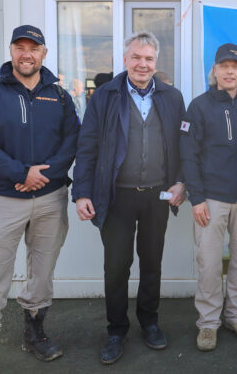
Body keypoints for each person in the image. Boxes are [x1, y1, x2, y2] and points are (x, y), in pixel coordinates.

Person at [0, 25, 80, 372]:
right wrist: (20, 173)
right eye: (20, 47)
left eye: (34, 48)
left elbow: (72, 141)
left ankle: (35, 333)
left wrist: (41, 175)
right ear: (11, 50)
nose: (27, 54)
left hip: (50, 198)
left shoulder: (59, 96)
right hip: (4, 199)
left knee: (42, 272)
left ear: (44, 53)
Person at [72, 31, 186, 365]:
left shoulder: (171, 97)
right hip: (116, 197)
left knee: (152, 263)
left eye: (149, 59)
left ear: (156, 63)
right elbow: (87, 146)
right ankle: (117, 330)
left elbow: (182, 148)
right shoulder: (105, 96)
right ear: (125, 60)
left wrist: (182, 182)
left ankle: (149, 322)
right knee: (116, 266)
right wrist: (81, 193)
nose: (142, 64)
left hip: (157, 197)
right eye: (136, 57)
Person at [181, 43, 237, 352]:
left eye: (235, 66)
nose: (230, 71)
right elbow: (188, 155)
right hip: (211, 201)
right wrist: (197, 198)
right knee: (210, 265)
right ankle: (208, 324)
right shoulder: (199, 106)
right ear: (214, 70)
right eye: (224, 66)